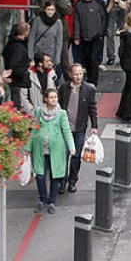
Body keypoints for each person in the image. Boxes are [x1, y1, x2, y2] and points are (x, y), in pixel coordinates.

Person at [28, 87, 76, 215]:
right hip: (40, 149)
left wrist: (71, 146)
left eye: (55, 97)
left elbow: (66, 130)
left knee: (55, 176)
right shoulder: (38, 111)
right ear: (45, 99)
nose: (54, 99)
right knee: (40, 175)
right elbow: (33, 129)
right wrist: (28, 147)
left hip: (57, 149)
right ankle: (43, 198)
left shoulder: (61, 113)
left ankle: (52, 202)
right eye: (51, 97)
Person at [57, 64, 98, 194]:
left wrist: (94, 126)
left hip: (79, 128)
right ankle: (62, 181)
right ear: (70, 75)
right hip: (65, 128)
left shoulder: (89, 89)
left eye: (80, 74)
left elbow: (92, 108)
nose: (78, 77)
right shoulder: (64, 88)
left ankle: (72, 180)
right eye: (75, 74)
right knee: (63, 155)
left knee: (76, 156)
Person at [4, 22, 32, 111]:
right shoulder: (18, 47)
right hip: (19, 82)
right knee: (18, 106)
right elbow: (15, 65)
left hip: (16, 81)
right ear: (25, 33)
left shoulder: (12, 44)